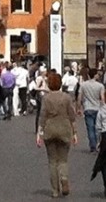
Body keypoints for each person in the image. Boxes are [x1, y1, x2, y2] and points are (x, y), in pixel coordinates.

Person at [36, 70, 79, 198]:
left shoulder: (46, 98)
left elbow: (42, 116)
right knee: (63, 160)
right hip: (64, 129)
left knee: (52, 161)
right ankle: (64, 178)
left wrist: (39, 133)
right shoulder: (66, 97)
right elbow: (72, 115)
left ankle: (55, 190)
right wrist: (75, 132)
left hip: (50, 130)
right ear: (60, 84)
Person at [76, 70, 105, 153]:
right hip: (98, 108)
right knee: (98, 128)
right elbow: (102, 98)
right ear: (95, 75)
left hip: (88, 108)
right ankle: (98, 143)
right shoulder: (100, 86)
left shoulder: (83, 85)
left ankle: (93, 146)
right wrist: (105, 108)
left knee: (90, 128)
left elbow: (79, 97)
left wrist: (79, 108)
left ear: (88, 75)